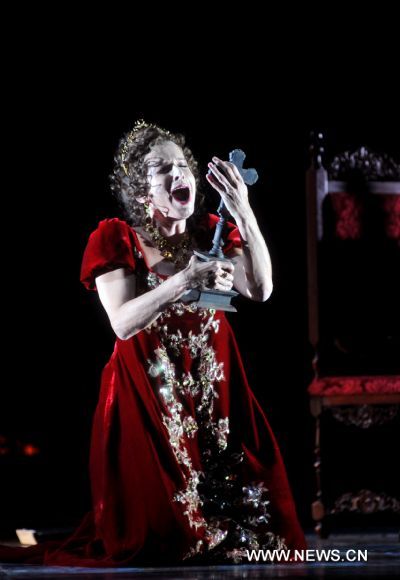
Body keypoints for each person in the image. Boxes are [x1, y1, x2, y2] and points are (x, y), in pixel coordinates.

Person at [0, 120, 306, 567]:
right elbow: (123, 323)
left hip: (213, 380)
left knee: (265, 532)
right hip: (150, 388)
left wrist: (244, 211)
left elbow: (261, 290)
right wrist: (185, 279)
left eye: (182, 165)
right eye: (162, 169)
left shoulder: (212, 229)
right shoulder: (116, 238)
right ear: (143, 192)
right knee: (170, 538)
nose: (178, 174)